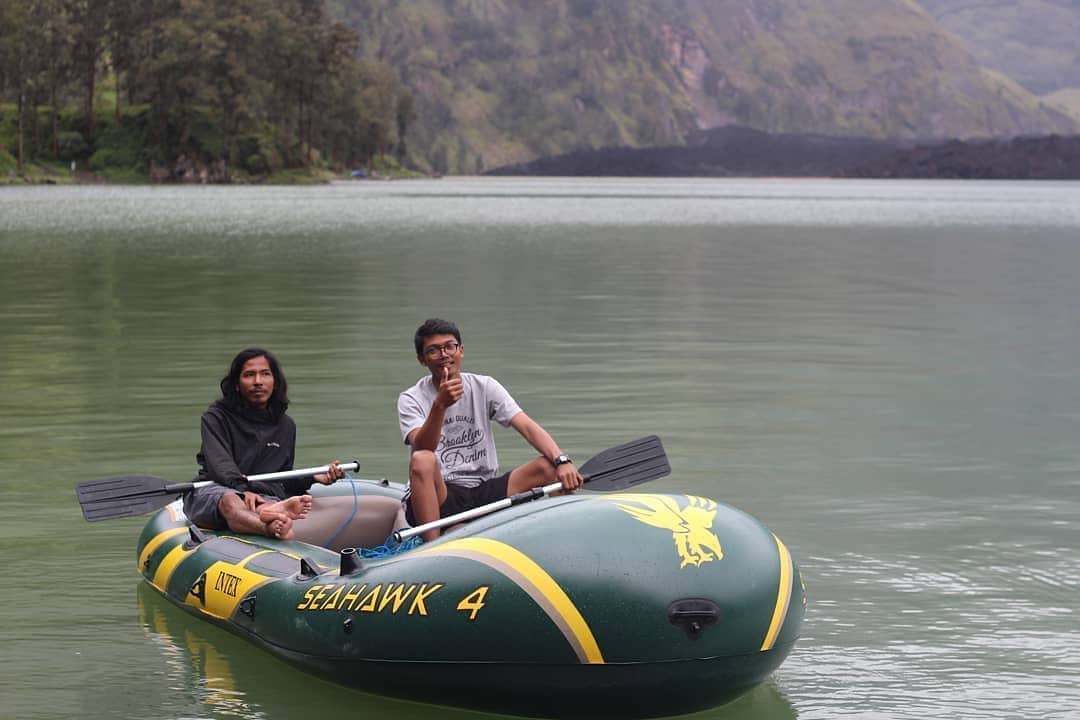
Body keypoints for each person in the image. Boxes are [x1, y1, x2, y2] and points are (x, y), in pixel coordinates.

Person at [398, 319, 583, 542]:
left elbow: (526, 426)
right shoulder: (411, 398)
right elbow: (423, 446)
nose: (444, 354)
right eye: (433, 350)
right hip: (441, 494)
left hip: (483, 490)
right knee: (422, 460)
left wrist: (562, 460)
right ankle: (431, 549)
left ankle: (559, 542)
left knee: (548, 467)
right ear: (422, 359)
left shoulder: (484, 386)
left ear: (461, 350)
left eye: (450, 346)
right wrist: (440, 405)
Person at [183, 347, 344, 539]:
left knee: (262, 503)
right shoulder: (216, 417)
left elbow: (280, 476)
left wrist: (313, 477)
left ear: (275, 382)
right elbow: (221, 465)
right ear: (236, 384)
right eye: (249, 375)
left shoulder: (286, 425)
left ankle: (272, 512)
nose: (258, 381)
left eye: (265, 374)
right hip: (216, 490)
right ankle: (268, 526)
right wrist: (242, 490)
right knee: (231, 500)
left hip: (263, 494)